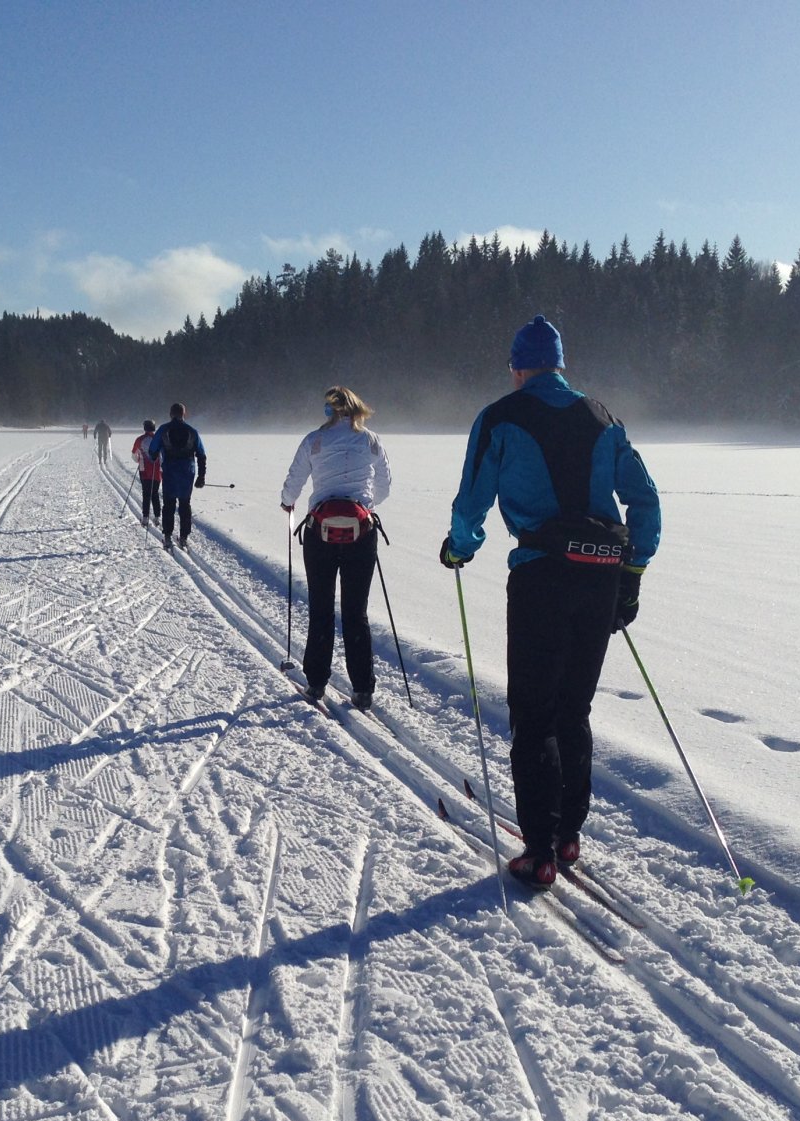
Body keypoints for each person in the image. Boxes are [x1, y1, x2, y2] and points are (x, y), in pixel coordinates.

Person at [438, 315, 660, 888]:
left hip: (541, 575)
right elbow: (645, 501)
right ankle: (567, 835)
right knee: (574, 708)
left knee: (533, 714)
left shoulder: (500, 417)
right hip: (601, 576)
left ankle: (538, 850)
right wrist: (631, 574)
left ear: (517, 367)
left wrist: (460, 549)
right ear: (559, 364)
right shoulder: (601, 416)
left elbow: (472, 499)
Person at [279, 386, 391, 711]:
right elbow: (384, 483)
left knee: (321, 607)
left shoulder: (314, 440)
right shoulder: (370, 440)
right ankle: (363, 688)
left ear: (328, 410)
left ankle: (315, 683)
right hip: (361, 532)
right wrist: (366, 505)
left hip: (321, 534)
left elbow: (294, 481)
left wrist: (288, 503)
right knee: (356, 612)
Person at [147, 402, 207, 550]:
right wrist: (201, 476)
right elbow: (201, 454)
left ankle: (167, 536)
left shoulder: (163, 430)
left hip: (170, 471)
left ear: (170, 414)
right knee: (185, 504)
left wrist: (154, 456)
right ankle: (184, 537)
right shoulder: (192, 431)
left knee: (169, 504)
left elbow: (152, 450)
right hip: (187, 472)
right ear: (184, 414)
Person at [130, 419, 162, 525]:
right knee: (155, 493)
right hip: (157, 471)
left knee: (146, 493)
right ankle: (157, 516)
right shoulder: (159, 440)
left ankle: (145, 517)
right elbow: (163, 456)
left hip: (144, 470)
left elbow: (134, 455)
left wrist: (139, 460)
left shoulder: (139, 440)